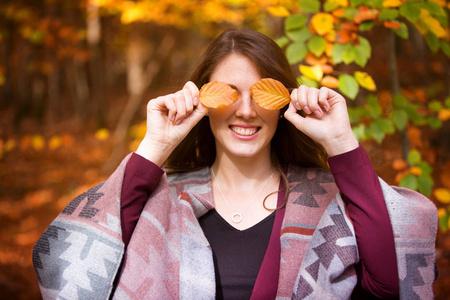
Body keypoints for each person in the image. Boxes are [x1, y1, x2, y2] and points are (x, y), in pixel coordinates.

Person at [33, 29, 437, 300]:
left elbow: (390, 285)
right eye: (228, 93)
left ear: (284, 103)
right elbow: (64, 267)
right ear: (204, 101)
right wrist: (154, 147)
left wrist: (341, 143)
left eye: (261, 94)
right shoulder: (165, 201)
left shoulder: (325, 200)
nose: (245, 111)